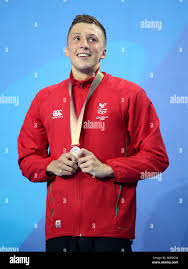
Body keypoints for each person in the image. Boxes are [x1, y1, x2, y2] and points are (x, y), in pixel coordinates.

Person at [17, 14, 169, 253]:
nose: (84, 44)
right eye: (77, 38)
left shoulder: (130, 94)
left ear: (104, 52)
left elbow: (157, 159)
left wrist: (110, 169)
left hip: (112, 234)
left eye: (92, 39)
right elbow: (27, 159)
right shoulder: (44, 99)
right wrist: (50, 166)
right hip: (60, 233)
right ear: (67, 50)